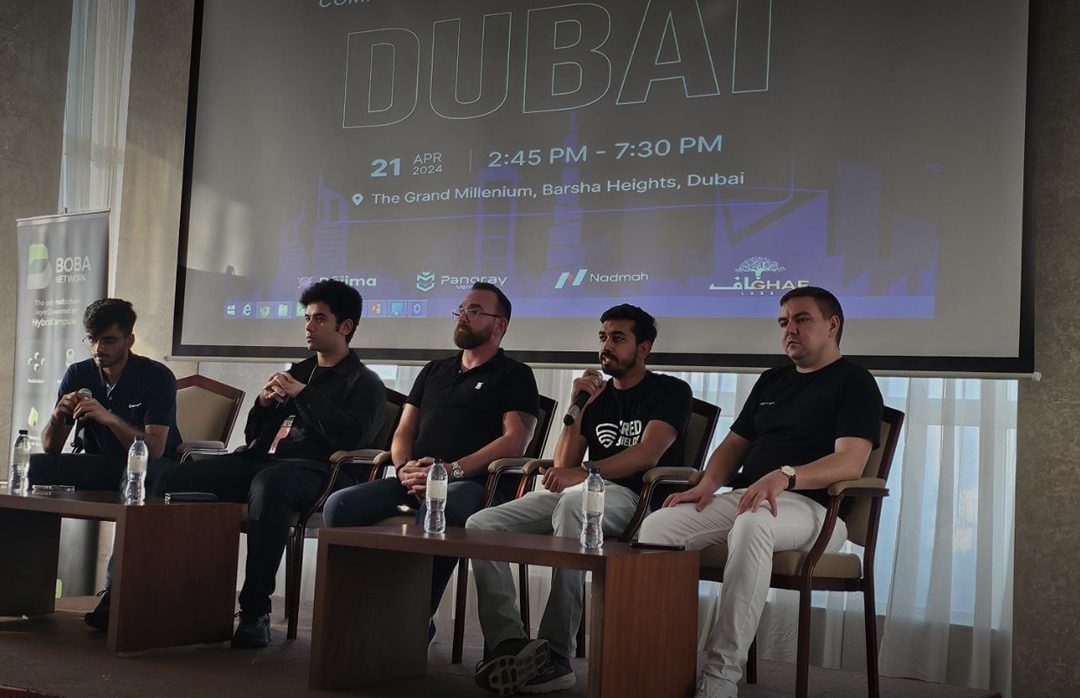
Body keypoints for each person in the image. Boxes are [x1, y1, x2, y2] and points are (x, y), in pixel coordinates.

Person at [637, 287, 884, 698]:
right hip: (747, 497)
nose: (789, 329)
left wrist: (785, 476)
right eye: (783, 321)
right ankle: (659, 660)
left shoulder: (855, 382)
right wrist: (704, 487)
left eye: (802, 319)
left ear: (832, 325)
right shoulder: (772, 380)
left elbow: (850, 463)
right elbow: (734, 445)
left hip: (815, 510)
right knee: (658, 526)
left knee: (753, 524)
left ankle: (720, 677)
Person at [467, 304, 693, 695]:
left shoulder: (670, 390)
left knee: (574, 504)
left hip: (636, 500)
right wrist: (578, 406)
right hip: (584, 494)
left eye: (618, 338)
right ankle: (509, 643)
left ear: (644, 348)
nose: (606, 346)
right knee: (481, 524)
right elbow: (563, 465)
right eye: (603, 337)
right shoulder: (597, 398)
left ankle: (556, 652)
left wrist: (585, 475)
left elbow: (648, 453)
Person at [152, 279, 386, 648]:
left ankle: (254, 610)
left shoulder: (365, 383)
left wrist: (304, 395)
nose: (309, 326)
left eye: (319, 319)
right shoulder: (299, 370)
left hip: (319, 473)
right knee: (173, 479)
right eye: (307, 318)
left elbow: (351, 437)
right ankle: (173, 598)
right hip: (264, 461)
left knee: (271, 485)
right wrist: (263, 403)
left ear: (346, 326)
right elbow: (255, 434)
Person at [322, 282, 539, 643]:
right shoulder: (434, 370)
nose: (462, 317)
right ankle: (356, 612)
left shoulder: (515, 374)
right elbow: (403, 429)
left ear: (499, 325)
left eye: (474, 311)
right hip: (415, 477)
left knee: (438, 508)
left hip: (470, 485)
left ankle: (412, 619)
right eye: (461, 309)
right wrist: (404, 466)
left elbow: (514, 439)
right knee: (339, 505)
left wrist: (449, 472)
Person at [30, 298, 182, 630]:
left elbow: (154, 449)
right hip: (99, 464)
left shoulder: (156, 377)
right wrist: (58, 417)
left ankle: (115, 592)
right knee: (36, 467)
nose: (99, 348)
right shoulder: (79, 373)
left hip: (151, 468)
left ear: (129, 339)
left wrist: (109, 418)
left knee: (134, 477)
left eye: (108, 340)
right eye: (92, 339)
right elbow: (51, 448)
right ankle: (22, 586)